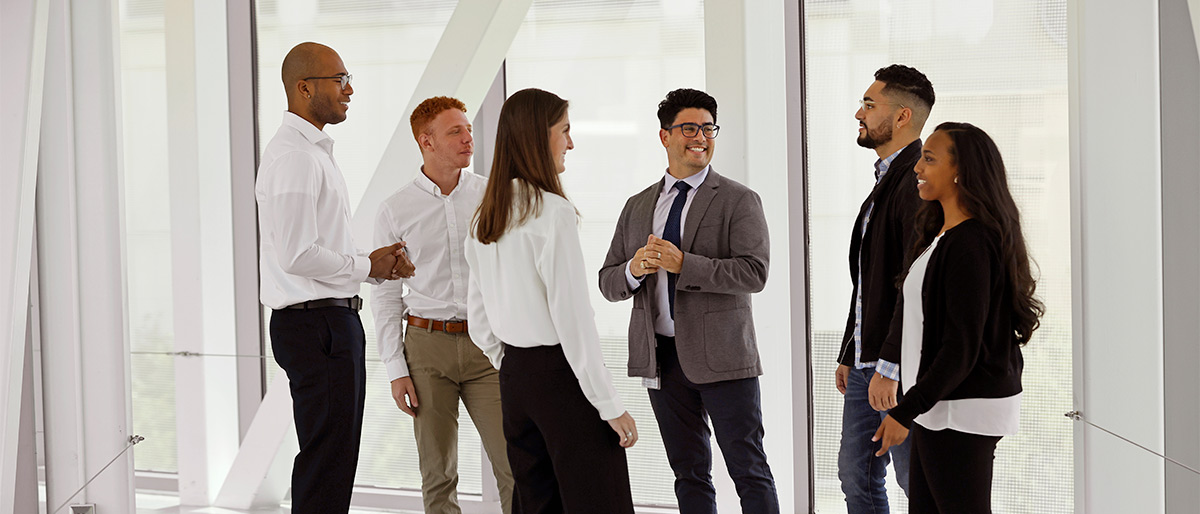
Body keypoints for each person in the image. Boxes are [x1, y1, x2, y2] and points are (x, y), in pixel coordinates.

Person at [598, 88, 778, 513]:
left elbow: (755, 273)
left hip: (725, 358)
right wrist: (633, 269)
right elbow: (608, 282)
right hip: (661, 359)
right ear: (664, 136)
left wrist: (686, 265)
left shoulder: (738, 199)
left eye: (708, 128)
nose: (701, 136)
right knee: (688, 472)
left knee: (748, 469)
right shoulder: (638, 205)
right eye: (689, 128)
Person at [255, 42, 414, 513]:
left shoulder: (311, 153)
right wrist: (367, 268)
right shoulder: (295, 157)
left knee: (333, 459)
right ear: (304, 88)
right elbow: (297, 254)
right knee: (328, 462)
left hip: (325, 321)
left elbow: (311, 248)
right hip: (316, 326)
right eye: (340, 80)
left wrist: (372, 262)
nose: (350, 90)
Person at [465, 88, 637, 513]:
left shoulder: (485, 216)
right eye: (565, 131)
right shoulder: (552, 213)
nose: (571, 143)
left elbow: (478, 316)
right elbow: (573, 319)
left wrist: (511, 365)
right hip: (561, 376)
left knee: (537, 501)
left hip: (517, 377)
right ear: (537, 138)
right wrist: (609, 404)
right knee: (600, 500)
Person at [873, 122, 1043, 513]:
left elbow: (960, 348)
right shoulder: (945, 236)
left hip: (960, 411)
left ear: (960, 171)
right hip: (940, 409)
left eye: (929, 159)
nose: (917, 167)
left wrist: (904, 410)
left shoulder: (971, 243)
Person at [372, 96, 513, 513]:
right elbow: (384, 294)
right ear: (425, 141)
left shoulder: (493, 195)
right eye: (455, 131)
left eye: (468, 129)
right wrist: (396, 370)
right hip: (425, 345)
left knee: (514, 464)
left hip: (488, 345)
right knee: (437, 475)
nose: (468, 137)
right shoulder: (395, 209)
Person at [836, 64, 935, 513]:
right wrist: (848, 349)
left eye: (869, 105)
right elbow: (868, 280)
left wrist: (889, 367)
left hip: (893, 367)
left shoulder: (915, 183)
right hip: (865, 360)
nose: (859, 113)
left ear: (901, 117)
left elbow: (910, 286)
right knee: (855, 476)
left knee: (912, 478)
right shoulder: (884, 181)